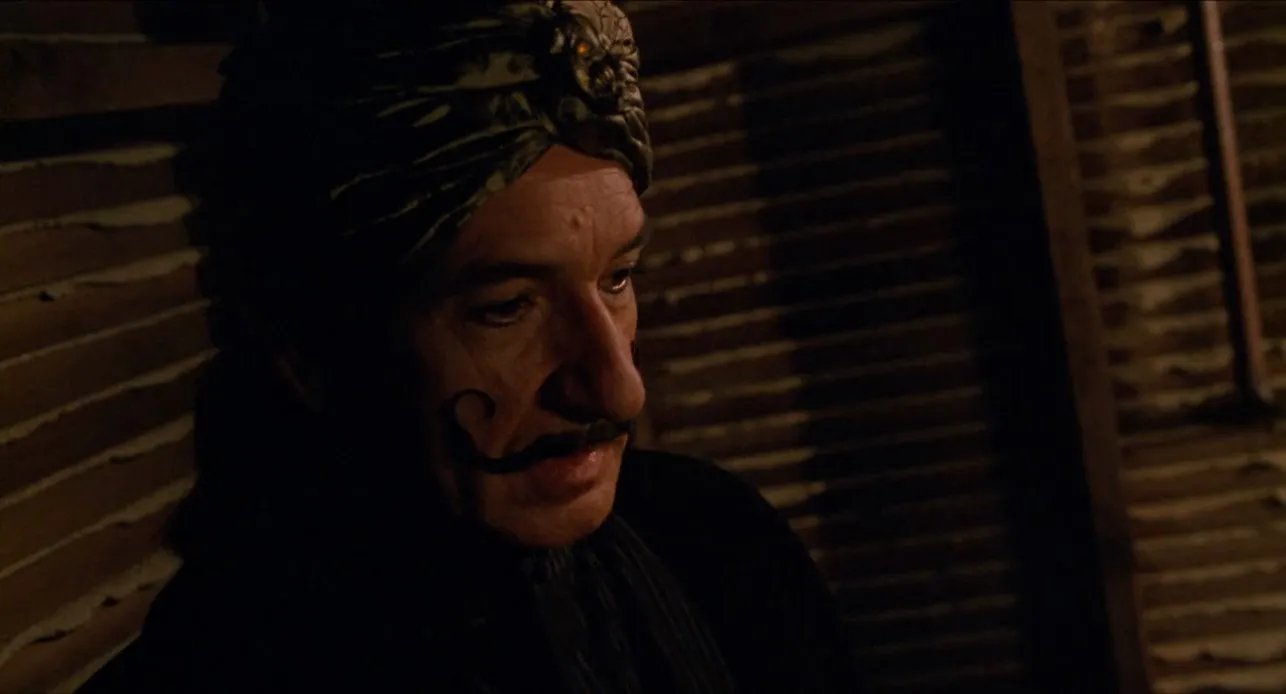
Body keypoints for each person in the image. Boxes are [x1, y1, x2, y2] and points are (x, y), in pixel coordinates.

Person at [77, 2, 859, 692]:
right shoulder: (212, 669)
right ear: (314, 354)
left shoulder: (718, 549)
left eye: (618, 278)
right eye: (506, 308)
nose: (618, 388)